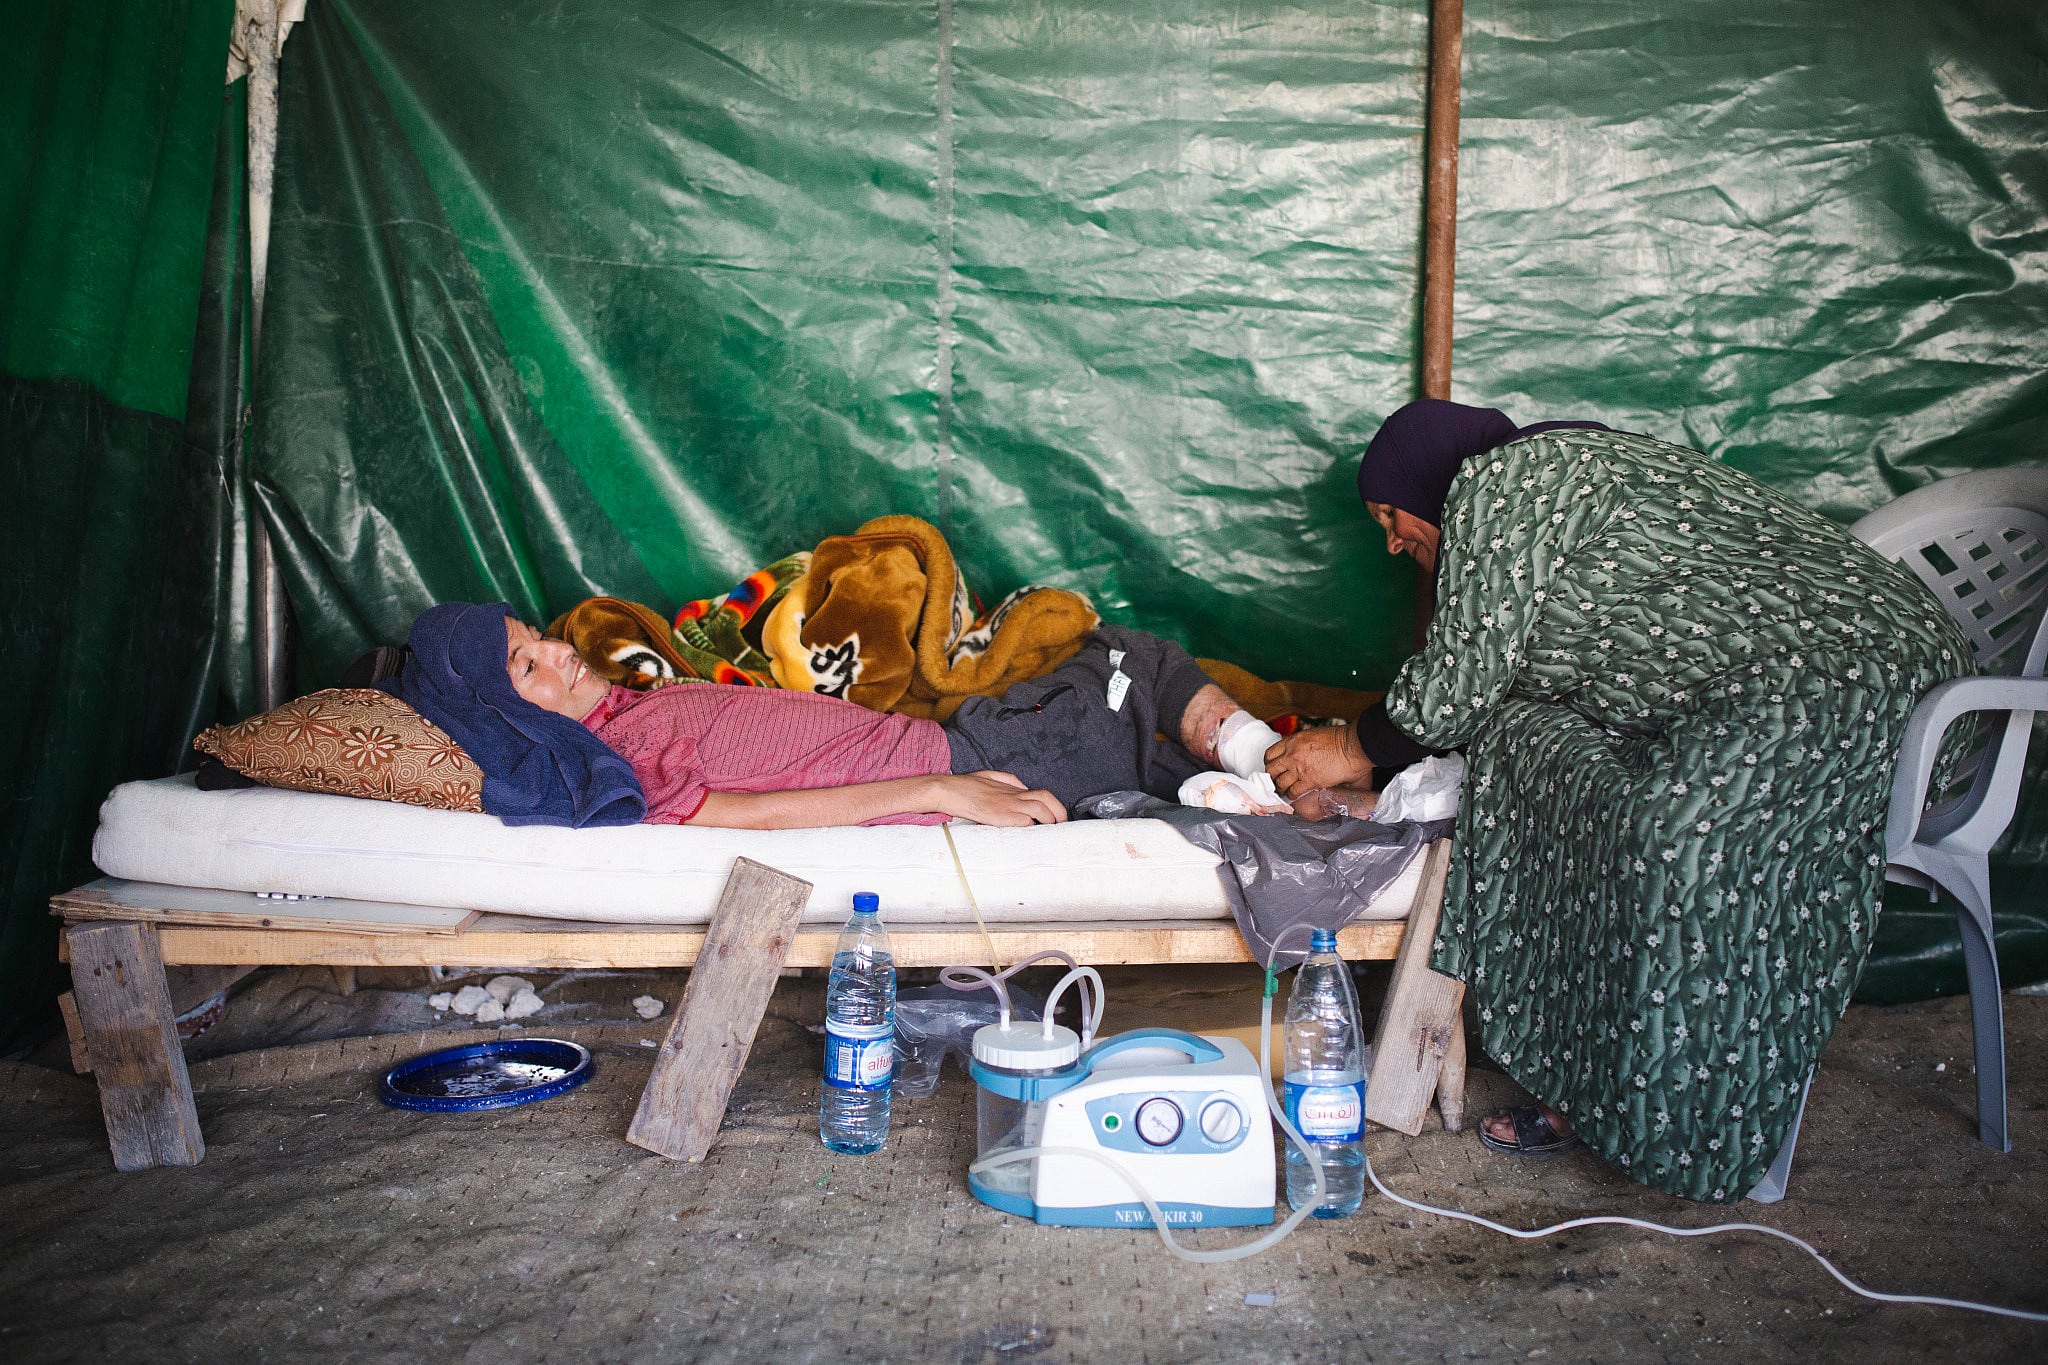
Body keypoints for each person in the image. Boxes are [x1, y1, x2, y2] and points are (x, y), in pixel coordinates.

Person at [1264, 398, 1969, 1202]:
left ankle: (1686, 1118)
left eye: (1390, 513)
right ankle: (1590, 1082)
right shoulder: (1553, 479)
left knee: (1671, 832)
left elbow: (1455, 688)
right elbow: (1497, 690)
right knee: (1530, 748)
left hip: (1861, 688)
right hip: (1797, 691)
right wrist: (1380, 772)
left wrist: (1347, 747)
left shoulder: (1503, 481)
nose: (1392, 539)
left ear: (1428, 481)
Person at [384, 601, 1288, 831]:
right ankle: (1265, 761)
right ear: (501, 712)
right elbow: (763, 813)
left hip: (992, 742)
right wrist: (950, 788)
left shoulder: (626, 713)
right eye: (526, 667)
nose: (558, 652)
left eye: (538, 637)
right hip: (989, 752)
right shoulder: (622, 760)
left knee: (1134, 734)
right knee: (1134, 658)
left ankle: (1231, 786)